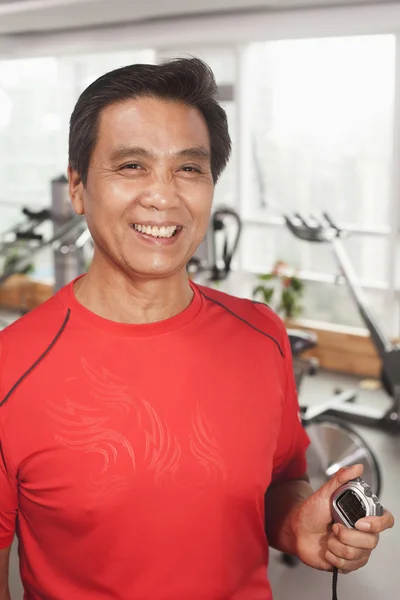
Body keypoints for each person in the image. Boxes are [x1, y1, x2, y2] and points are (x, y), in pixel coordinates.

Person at [0, 58, 394, 600]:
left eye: (189, 169)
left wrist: (298, 524)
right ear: (77, 186)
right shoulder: (11, 369)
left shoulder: (260, 335)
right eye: (132, 165)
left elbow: (279, 483)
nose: (163, 197)